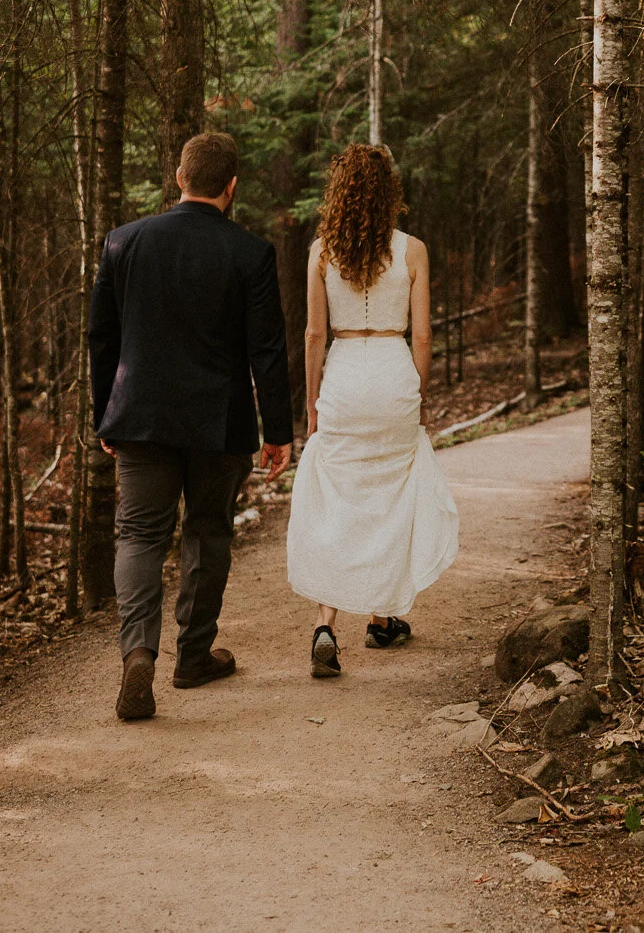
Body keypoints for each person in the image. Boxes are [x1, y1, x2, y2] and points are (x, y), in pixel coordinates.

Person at [89, 132, 294, 722]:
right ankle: (194, 656)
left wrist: (107, 411)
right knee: (207, 530)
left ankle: (138, 654)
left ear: (179, 178)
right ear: (231, 187)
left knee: (139, 536)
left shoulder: (124, 242)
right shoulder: (249, 253)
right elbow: (268, 350)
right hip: (218, 420)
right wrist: (276, 430)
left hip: (140, 418)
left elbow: (102, 337)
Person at [287, 144, 459, 678]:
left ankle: (326, 625)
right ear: (391, 192)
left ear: (338, 193)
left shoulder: (321, 251)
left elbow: (315, 333)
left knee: (336, 496)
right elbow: (424, 335)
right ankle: (383, 618)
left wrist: (313, 404)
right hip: (392, 372)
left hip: (342, 374)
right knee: (391, 496)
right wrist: (418, 392)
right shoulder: (412, 250)